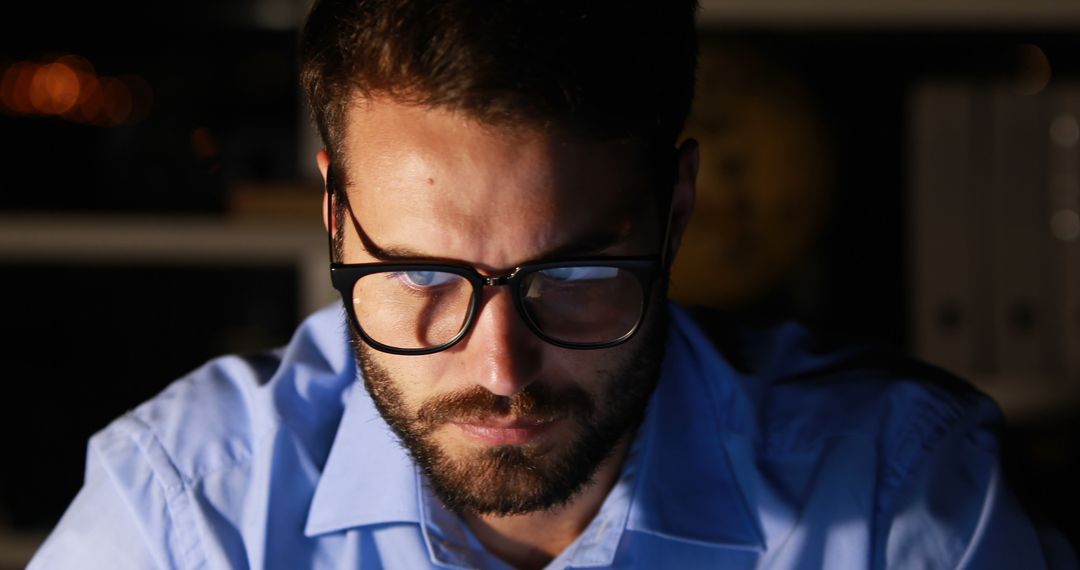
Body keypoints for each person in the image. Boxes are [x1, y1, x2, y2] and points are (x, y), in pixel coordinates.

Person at [29, 0, 1076, 568]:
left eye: (574, 271)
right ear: (336, 217)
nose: (501, 368)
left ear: (673, 212)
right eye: (424, 274)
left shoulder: (902, 502)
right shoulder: (185, 515)